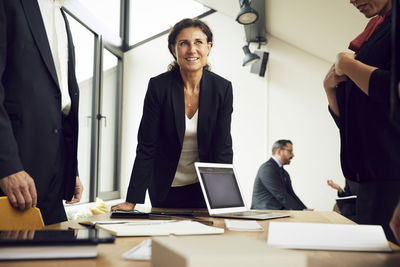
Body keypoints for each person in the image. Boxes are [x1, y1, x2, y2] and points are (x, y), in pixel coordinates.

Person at [111, 18, 233, 211]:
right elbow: (146, 146)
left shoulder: (222, 88)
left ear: (209, 47)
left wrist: (224, 200)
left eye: (198, 42)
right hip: (165, 187)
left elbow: (223, 147)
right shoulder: (158, 87)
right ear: (173, 49)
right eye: (184, 43)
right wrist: (131, 200)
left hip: (204, 189)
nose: (192, 49)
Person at [323, 0, 400, 243]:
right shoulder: (377, 30)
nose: (353, 0)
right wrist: (329, 90)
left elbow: (391, 90)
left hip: (390, 175)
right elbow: (350, 120)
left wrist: (347, 63)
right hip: (366, 178)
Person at [0, 0, 83, 225]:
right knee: (14, 257)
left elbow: (62, 100)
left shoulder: (62, 15)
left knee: (53, 254)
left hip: (55, 169)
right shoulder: (9, 4)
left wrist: (70, 169)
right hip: (17, 165)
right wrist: (7, 167)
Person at [251, 140, 308, 210]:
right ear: (279, 151)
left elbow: (291, 195)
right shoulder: (267, 168)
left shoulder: (284, 173)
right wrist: (301, 211)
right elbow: (281, 195)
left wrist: (304, 209)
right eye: (290, 151)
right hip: (264, 213)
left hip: (277, 212)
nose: (293, 155)